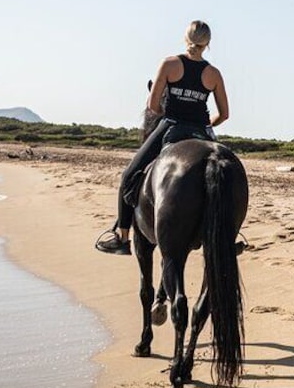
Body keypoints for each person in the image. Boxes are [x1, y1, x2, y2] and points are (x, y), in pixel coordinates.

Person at [96, 20, 230, 254]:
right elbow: (225, 114)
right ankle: (229, 235)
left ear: (186, 38)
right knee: (224, 180)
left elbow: (153, 105)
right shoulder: (213, 74)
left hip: (171, 125)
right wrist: (207, 124)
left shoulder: (169, 64)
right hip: (201, 130)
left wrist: (169, 112)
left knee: (129, 175)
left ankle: (122, 236)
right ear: (207, 43)